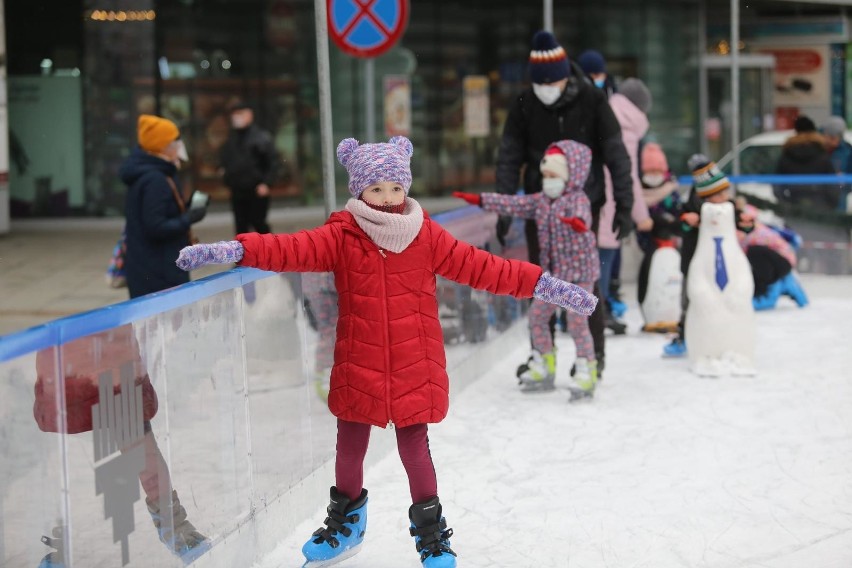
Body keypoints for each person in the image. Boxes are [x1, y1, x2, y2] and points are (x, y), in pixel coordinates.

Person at [174, 136, 597, 567]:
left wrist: (546, 285)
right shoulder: (342, 235)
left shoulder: (427, 236)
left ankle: (432, 537)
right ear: (360, 190)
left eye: (395, 188)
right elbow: (290, 248)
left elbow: (485, 268)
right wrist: (237, 249)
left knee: (416, 453)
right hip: (360, 362)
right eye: (376, 189)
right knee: (349, 451)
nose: (388, 198)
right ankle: (346, 525)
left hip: (416, 364)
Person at [495, 29, 635, 378]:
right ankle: (543, 355)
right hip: (540, 208)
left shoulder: (592, 100)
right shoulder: (525, 103)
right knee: (539, 282)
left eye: (551, 83)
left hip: (584, 209)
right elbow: (509, 155)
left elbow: (616, 153)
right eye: (539, 84)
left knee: (585, 283)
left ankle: (594, 357)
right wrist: (503, 205)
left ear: (564, 77)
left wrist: (625, 204)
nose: (545, 90)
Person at [453, 139, 601, 400]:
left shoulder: (578, 199)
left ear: (569, 175)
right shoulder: (541, 201)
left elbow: (583, 217)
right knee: (537, 318)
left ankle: (586, 367)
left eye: (553, 176)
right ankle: (544, 363)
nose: (548, 181)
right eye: (545, 175)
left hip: (579, 274)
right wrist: (480, 199)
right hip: (553, 278)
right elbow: (511, 204)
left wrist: (578, 223)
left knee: (577, 322)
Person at [120, 115, 207, 299]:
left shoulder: (151, 171)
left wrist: (185, 207)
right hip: (158, 271)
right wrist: (189, 218)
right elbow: (156, 227)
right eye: (175, 141)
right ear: (164, 146)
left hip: (149, 266)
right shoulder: (155, 180)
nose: (179, 146)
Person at [663, 154, 738, 357]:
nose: (724, 198)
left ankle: (722, 338)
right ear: (704, 196)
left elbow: (741, 222)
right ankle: (684, 336)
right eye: (719, 194)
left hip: (722, 266)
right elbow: (676, 225)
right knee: (691, 301)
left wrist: (746, 224)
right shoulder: (690, 209)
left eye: (725, 192)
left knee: (722, 301)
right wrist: (688, 222)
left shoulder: (730, 208)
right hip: (695, 265)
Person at [597, 78, 654, 335]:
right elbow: (627, 176)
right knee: (602, 265)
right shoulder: (626, 129)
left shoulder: (604, 115)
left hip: (590, 203)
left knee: (590, 265)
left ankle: (589, 312)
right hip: (608, 206)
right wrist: (641, 216)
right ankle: (597, 314)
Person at [636, 142, 683, 331]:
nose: (654, 175)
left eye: (657, 170)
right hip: (648, 244)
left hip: (669, 244)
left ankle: (674, 312)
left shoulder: (672, 193)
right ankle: (650, 313)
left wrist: (672, 224)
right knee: (647, 277)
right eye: (649, 170)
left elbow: (679, 217)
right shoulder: (636, 193)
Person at [736, 201, 808, 310]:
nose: (745, 223)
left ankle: (766, 291)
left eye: (748, 220)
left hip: (781, 265)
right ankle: (771, 288)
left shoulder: (757, 232)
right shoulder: (746, 232)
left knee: (755, 252)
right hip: (777, 266)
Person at [219, 102, 278, 234]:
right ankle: (244, 253)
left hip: (256, 189)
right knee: (241, 226)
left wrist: (267, 183)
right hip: (237, 190)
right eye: (234, 115)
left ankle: (269, 251)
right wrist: (226, 177)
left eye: (240, 114)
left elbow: (272, 162)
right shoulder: (232, 138)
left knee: (258, 222)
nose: (236, 118)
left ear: (249, 115)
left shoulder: (261, 137)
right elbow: (226, 160)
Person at [774, 115, 836, 209]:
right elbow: (833, 183)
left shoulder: (787, 154)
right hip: (820, 208)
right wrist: (830, 204)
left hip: (794, 206)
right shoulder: (822, 153)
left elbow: (777, 184)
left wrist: (785, 204)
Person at [820, 115, 852, 211]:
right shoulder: (817, 150)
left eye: (837, 138)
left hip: (839, 201)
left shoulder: (847, 150)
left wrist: (844, 181)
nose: (834, 142)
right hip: (819, 199)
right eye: (831, 137)